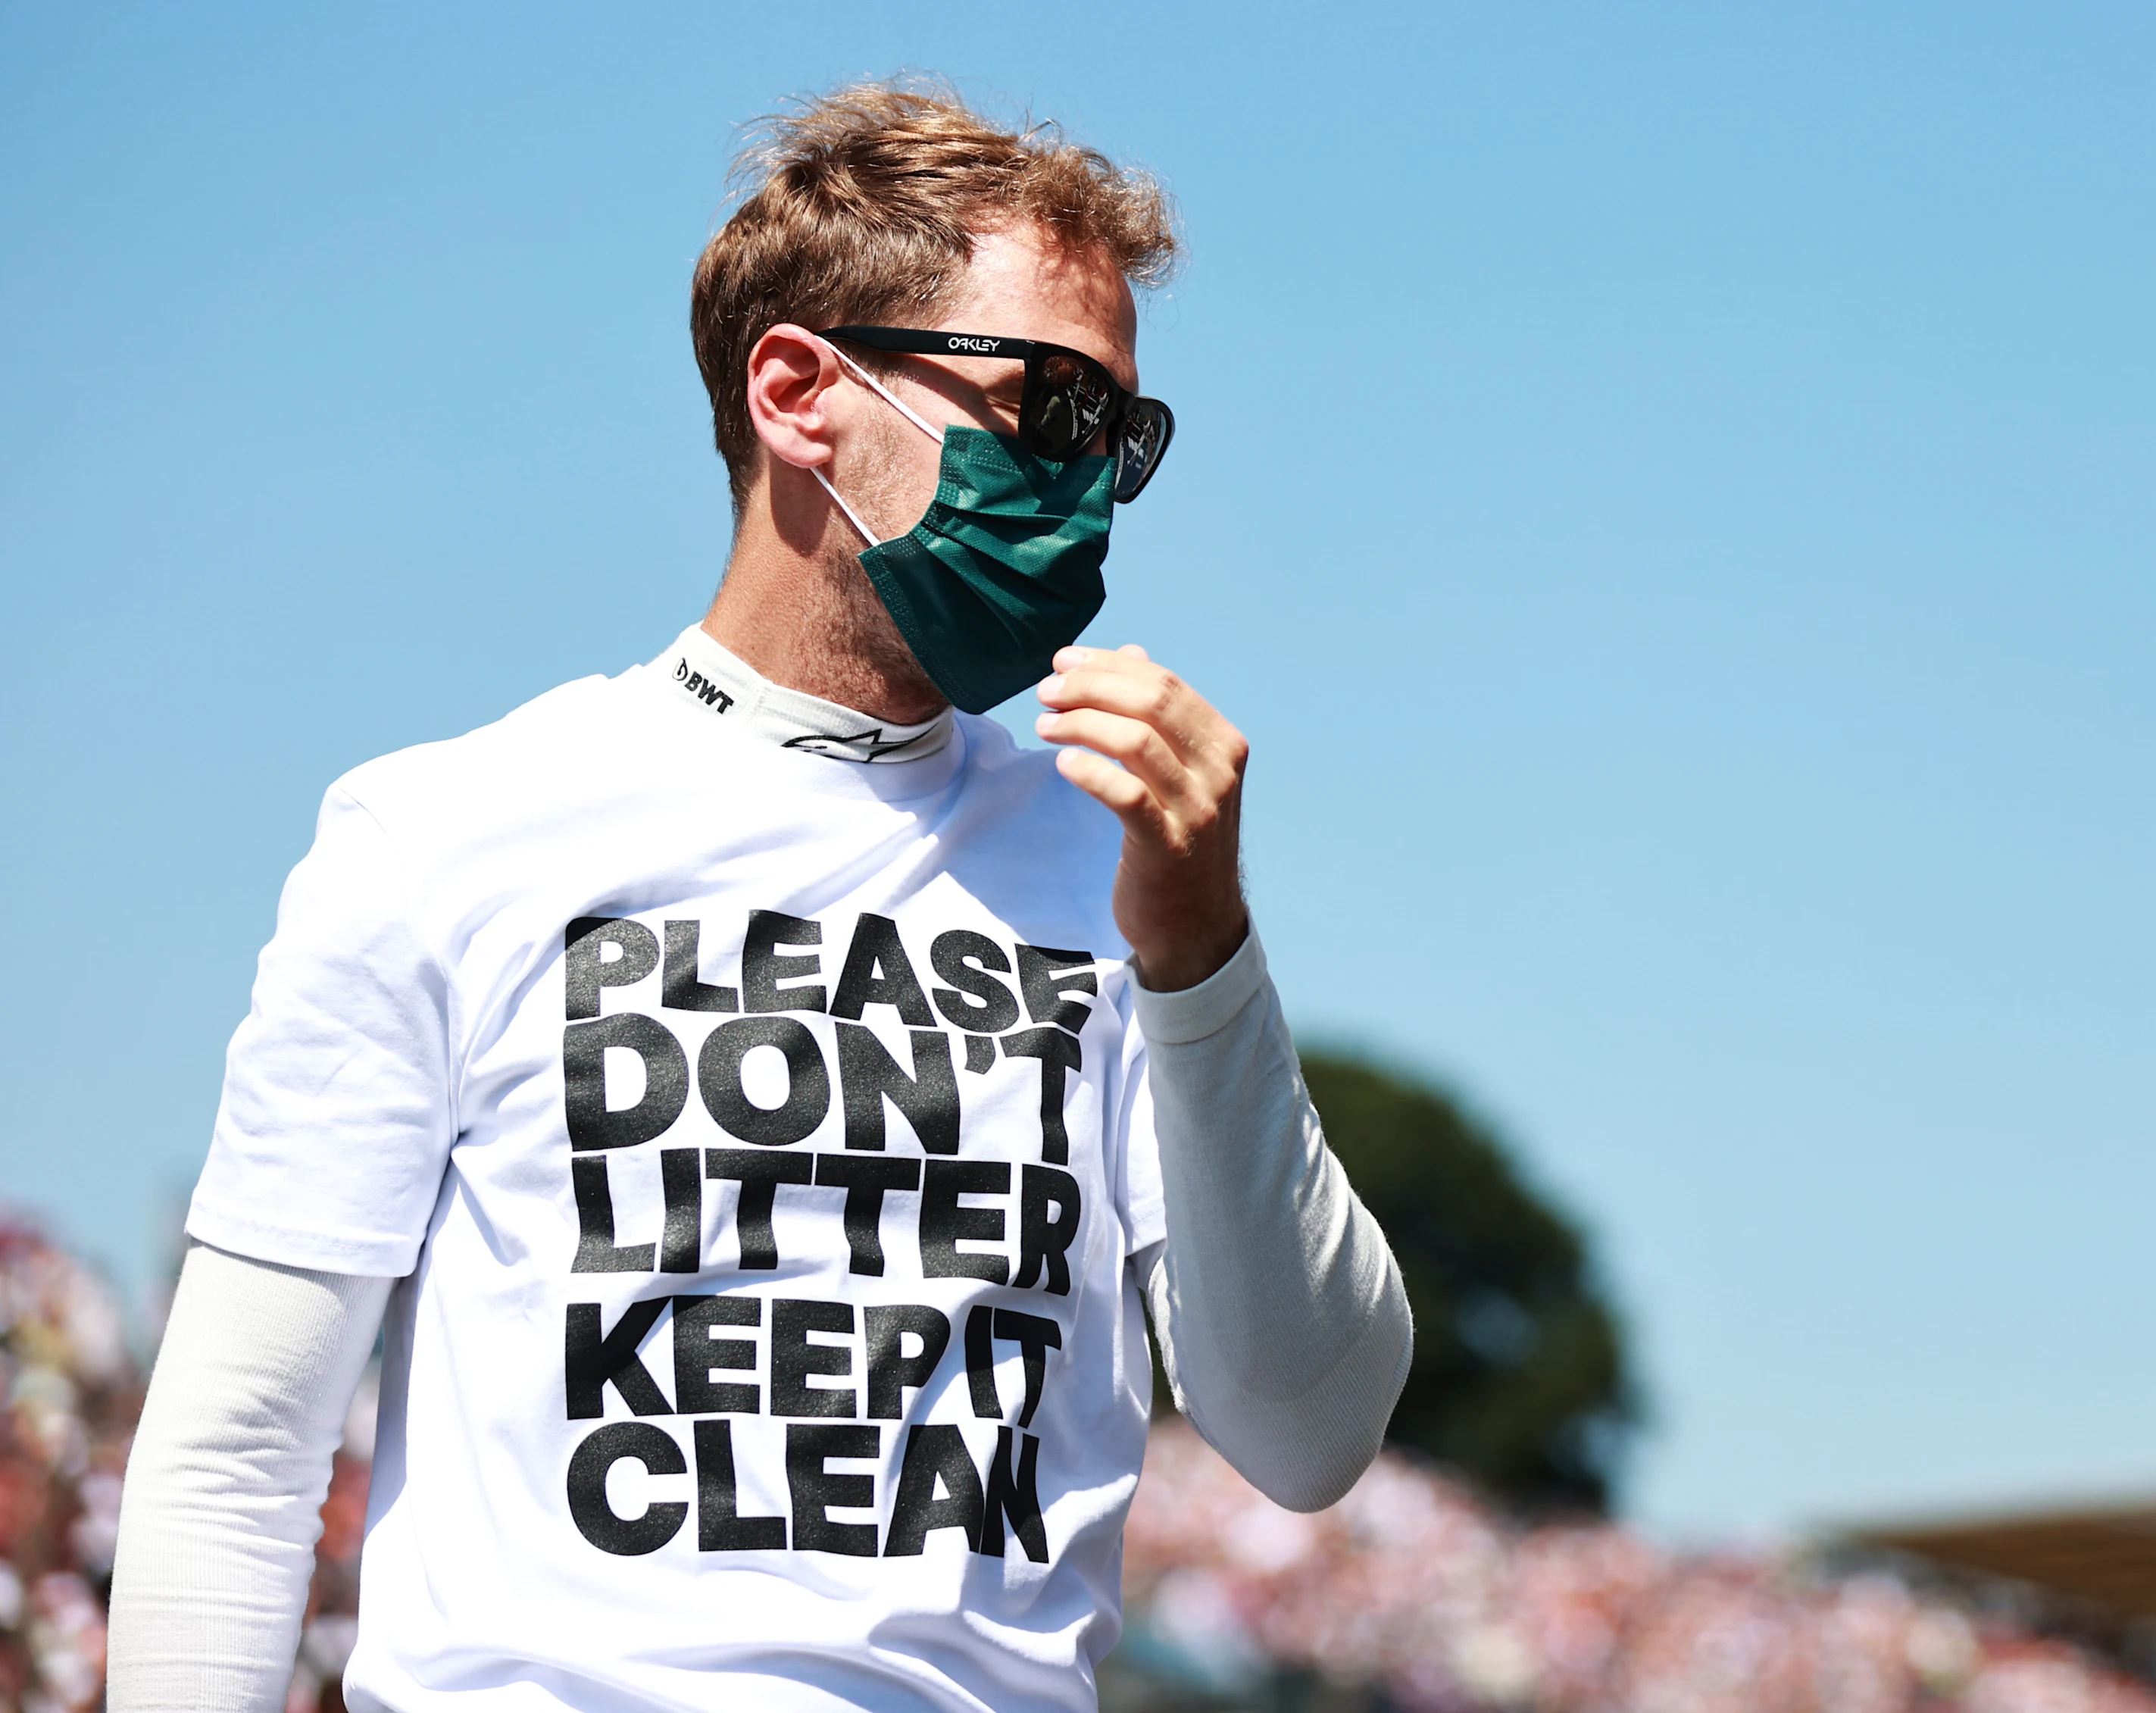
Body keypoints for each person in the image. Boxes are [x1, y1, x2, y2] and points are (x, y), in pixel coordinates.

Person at [106, 83, 1411, 1713]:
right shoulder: (445, 831)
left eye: (1124, 441)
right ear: (801, 390)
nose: (1089, 490)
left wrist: (1204, 952)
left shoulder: (1118, 872)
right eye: (1052, 409)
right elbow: (234, 1454)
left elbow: (1311, 1425)